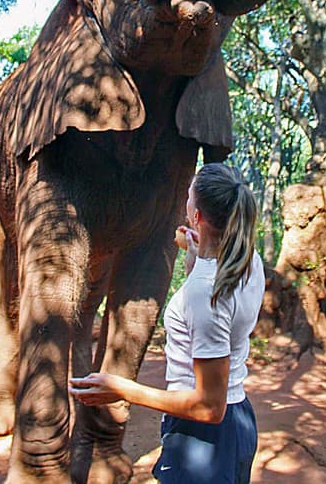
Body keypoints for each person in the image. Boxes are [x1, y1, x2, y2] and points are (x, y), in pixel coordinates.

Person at [70, 162, 265, 483]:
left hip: (203, 438)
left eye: (189, 196)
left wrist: (123, 389)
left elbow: (208, 407)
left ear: (197, 216)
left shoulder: (205, 293)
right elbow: (216, 315)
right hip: (238, 420)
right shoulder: (247, 259)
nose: (185, 202)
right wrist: (197, 254)